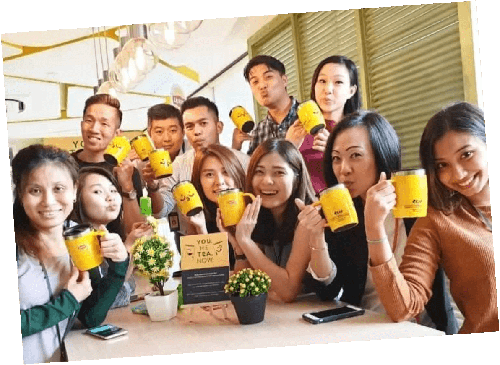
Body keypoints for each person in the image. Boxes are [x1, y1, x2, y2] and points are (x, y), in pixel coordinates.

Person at [300, 110, 457, 333]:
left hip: (425, 331)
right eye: (336, 158)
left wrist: (374, 226)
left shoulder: (415, 203)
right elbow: (328, 291)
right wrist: (316, 238)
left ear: (382, 153)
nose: (343, 169)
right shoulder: (344, 210)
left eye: (355, 155)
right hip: (366, 328)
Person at [366, 102, 498, 334]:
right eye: (442, 165)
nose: (458, 174)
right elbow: (403, 307)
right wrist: (374, 228)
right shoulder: (438, 220)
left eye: (466, 154)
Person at [14, 144, 129, 364]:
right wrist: (67, 301)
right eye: (35, 190)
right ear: (21, 194)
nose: (48, 201)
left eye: (58, 188)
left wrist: (118, 266)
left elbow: (89, 317)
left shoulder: (78, 236)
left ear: (74, 190)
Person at [218, 138, 316, 303]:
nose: (267, 181)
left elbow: (288, 291)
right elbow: (244, 287)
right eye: (259, 172)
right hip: (281, 318)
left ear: (296, 178)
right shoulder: (260, 217)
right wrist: (238, 247)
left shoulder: (308, 217)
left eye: (279, 172)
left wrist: (246, 241)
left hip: (320, 318)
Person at [157, 96, 249, 250]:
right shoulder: (178, 165)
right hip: (194, 242)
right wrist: (151, 187)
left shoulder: (244, 161)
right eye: (189, 126)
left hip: (242, 237)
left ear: (219, 126)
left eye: (203, 123)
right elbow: (159, 211)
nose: (197, 132)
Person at [72, 166, 153, 308]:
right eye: (97, 191)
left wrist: (131, 244)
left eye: (113, 190)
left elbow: (117, 282)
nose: (110, 197)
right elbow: (102, 299)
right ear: (75, 198)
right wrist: (128, 246)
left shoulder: (106, 235)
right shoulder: (77, 244)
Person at [72, 94, 145, 235]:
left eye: (104, 124)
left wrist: (127, 186)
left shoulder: (129, 171)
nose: (94, 128)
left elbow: (136, 230)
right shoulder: (63, 167)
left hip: (116, 254)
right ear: (81, 125)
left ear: (117, 133)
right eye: (89, 120)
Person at [299, 55, 360, 193]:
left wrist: (335, 154)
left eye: (338, 82)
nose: (328, 89)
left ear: (351, 91)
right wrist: (289, 146)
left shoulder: (361, 132)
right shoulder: (298, 131)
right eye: (322, 81)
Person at [185, 144, 246, 268]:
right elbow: (206, 281)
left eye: (226, 172)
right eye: (209, 175)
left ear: (237, 174)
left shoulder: (254, 214)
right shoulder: (200, 218)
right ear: (199, 182)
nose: (219, 181)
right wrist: (201, 230)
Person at [232, 55, 304, 154]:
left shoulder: (309, 115)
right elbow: (252, 169)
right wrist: (235, 149)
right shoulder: (258, 133)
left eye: (268, 77)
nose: (262, 86)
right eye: (255, 82)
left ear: (284, 80)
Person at [130, 103, 190, 216]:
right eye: (159, 132)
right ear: (149, 134)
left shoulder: (193, 154)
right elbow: (139, 197)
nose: (167, 139)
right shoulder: (143, 162)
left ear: (183, 131)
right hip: (165, 224)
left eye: (173, 131)